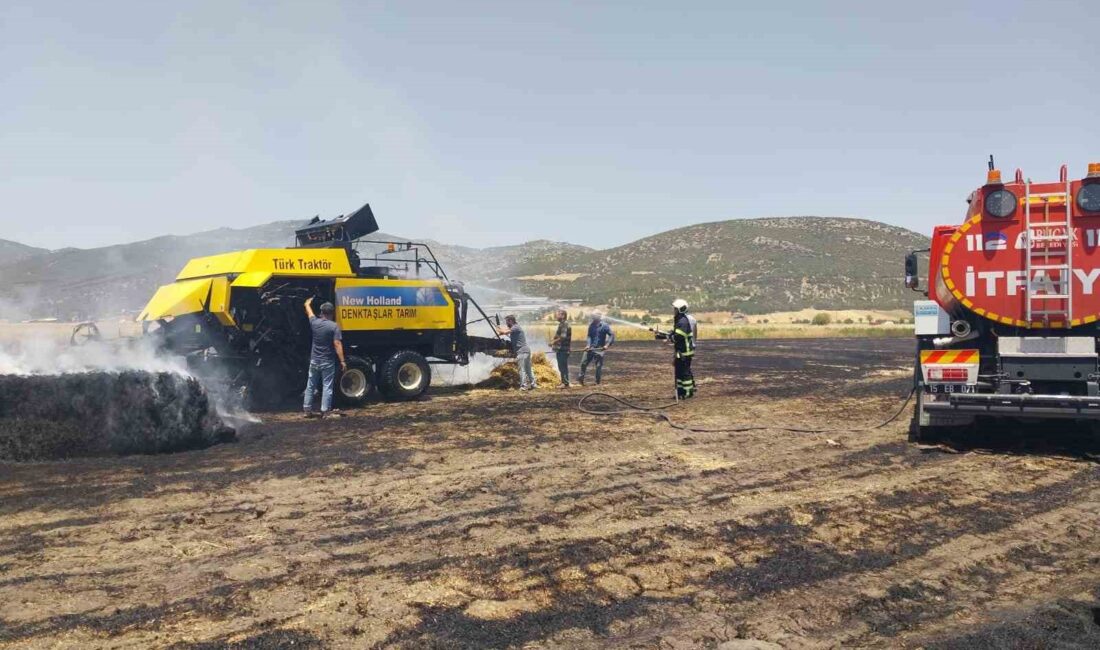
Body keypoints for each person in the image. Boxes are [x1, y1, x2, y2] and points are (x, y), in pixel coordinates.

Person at [303, 299, 346, 417]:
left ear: (321, 312)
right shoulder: (334, 326)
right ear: (332, 313)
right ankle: (325, 411)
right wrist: (342, 361)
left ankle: (307, 410)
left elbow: (310, 313)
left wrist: (307, 304)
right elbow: (337, 344)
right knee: (327, 386)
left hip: (314, 360)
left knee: (310, 385)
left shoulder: (315, 323)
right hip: (327, 361)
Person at [663, 298, 696, 399]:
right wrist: (668, 335)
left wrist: (671, 338)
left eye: (675, 309)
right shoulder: (679, 320)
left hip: (685, 352)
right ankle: (681, 392)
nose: (674, 311)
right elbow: (675, 333)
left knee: (684, 373)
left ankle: (687, 392)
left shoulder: (683, 322)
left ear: (680, 309)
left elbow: (679, 336)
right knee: (679, 372)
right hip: (680, 351)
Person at [497, 314, 536, 390]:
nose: (506, 323)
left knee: (522, 369)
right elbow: (503, 332)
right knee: (528, 369)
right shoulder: (515, 328)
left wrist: (498, 327)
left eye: (507, 321)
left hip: (521, 351)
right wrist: (500, 331)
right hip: (526, 350)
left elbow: (504, 332)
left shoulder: (515, 327)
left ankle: (523, 386)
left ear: (511, 321)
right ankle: (533, 384)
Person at [577, 311, 614, 386]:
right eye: (593, 316)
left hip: (599, 349)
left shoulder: (605, 326)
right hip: (590, 348)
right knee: (583, 363)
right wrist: (588, 345)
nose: (593, 317)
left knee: (598, 366)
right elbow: (589, 336)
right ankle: (581, 380)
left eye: (594, 316)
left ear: (599, 316)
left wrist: (607, 345)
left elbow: (611, 335)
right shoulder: (591, 326)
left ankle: (597, 382)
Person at [550, 309, 572, 388]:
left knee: (563, 366)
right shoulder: (561, 324)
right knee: (561, 366)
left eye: (557, 314)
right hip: (560, 349)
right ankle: (564, 382)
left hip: (563, 349)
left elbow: (563, 337)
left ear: (563, 316)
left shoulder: (564, 324)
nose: (556, 316)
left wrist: (553, 342)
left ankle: (565, 383)